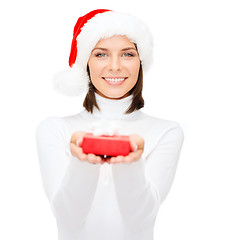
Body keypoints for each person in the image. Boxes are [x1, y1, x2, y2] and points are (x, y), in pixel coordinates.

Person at [36, 9, 184, 240]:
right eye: (101, 54)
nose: (115, 66)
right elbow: (68, 217)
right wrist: (83, 161)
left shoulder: (167, 131)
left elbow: (138, 219)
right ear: (85, 62)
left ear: (140, 61)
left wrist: (130, 164)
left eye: (127, 54)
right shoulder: (55, 129)